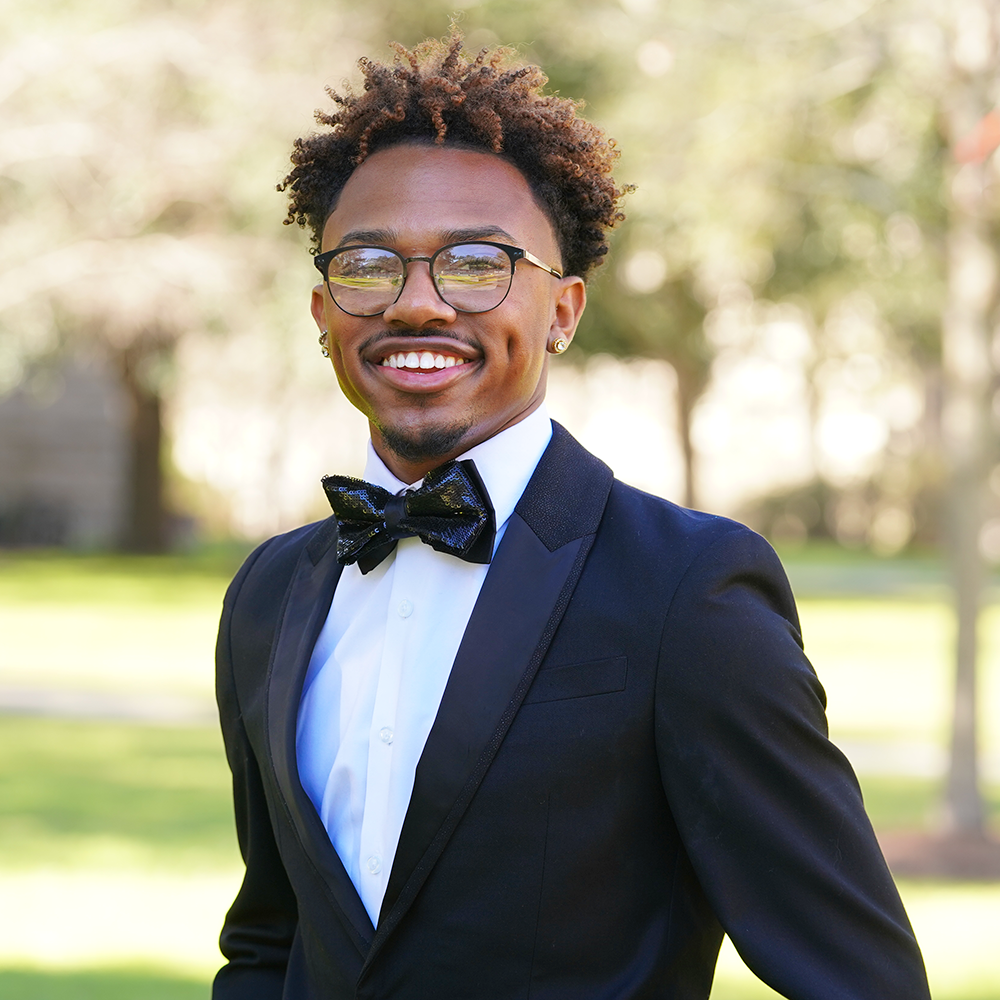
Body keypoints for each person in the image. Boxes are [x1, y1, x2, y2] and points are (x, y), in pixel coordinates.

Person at [213, 31, 930, 1000]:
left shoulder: (686, 590)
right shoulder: (271, 593)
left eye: (476, 264)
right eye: (370, 264)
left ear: (563, 310)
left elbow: (860, 977)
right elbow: (271, 942)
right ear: (322, 310)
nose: (417, 304)